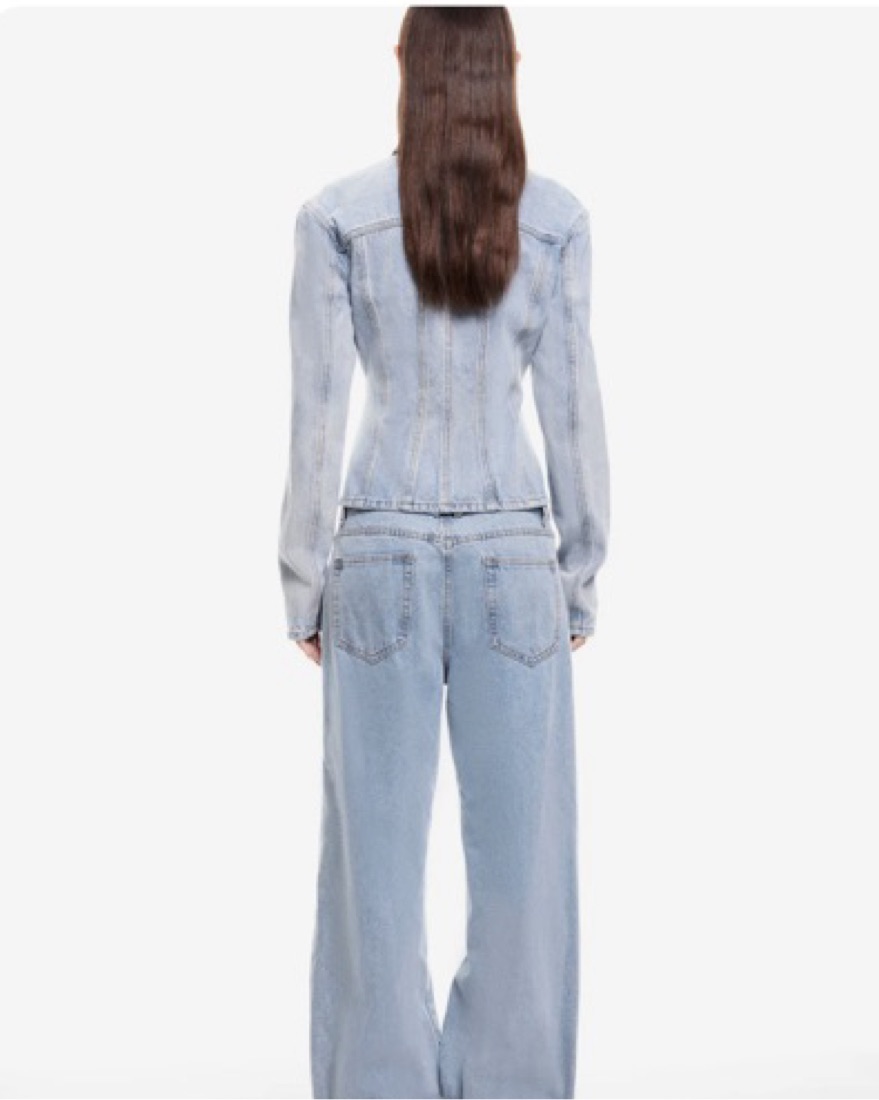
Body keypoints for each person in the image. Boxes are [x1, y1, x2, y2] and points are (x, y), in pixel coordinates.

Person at [278, 8, 610, 1098]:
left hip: (377, 556)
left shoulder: (338, 217)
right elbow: (572, 414)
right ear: (508, 69)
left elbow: (317, 416)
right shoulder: (554, 222)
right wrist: (579, 571)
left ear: (402, 67)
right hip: (516, 556)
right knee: (523, 879)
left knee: (371, 878)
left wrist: (305, 580)